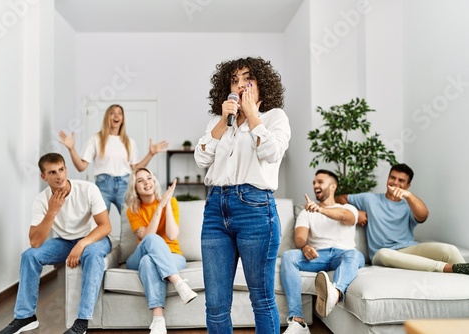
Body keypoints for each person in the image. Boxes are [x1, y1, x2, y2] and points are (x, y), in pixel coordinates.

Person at [194, 56, 291, 334]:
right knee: (215, 305)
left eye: (247, 80)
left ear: (262, 84)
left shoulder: (275, 118)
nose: (239, 86)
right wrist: (225, 121)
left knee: (261, 299)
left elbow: (270, 153)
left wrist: (252, 116)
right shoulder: (218, 120)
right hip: (215, 209)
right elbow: (201, 158)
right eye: (234, 81)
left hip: (255, 209)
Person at [0, 153, 112, 334]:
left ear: (66, 169)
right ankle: (25, 317)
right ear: (43, 177)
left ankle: (82, 322)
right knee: (29, 256)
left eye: (61, 169)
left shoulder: (88, 189)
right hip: (65, 242)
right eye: (52, 172)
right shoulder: (41, 200)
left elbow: (105, 226)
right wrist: (52, 211)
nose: (59, 175)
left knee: (91, 253)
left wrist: (82, 244)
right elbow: (35, 242)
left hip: (94, 238)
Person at [336, 163, 469, 275]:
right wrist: (355, 212)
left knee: (450, 250)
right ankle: (446, 268)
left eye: (401, 180)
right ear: (387, 179)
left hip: (409, 248)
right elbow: (340, 198)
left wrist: (409, 196)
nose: (395, 182)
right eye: (392, 178)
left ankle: (465, 276)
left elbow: (423, 215)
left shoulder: (409, 206)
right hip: (382, 253)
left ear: (408, 185)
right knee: (383, 253)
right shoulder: (369, 199)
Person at [280, 170, 365, 334]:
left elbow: (344, 216)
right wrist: (305, 247)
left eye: (320, 182)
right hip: (319, 256)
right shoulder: (306, 212)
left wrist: (320, 210)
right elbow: (299, 237)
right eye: (314, 183)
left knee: (354, 254)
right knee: (289, 256)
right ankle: (298, 322)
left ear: (333, 186)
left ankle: (335, 293)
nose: (315, 185)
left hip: (344, 254)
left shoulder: (348, 208)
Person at [124, 167, 198, 334]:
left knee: (148, 262)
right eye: (140, 181)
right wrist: (159, 208)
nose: (146, 183)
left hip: (172, 255)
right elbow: (147, 236)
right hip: (140, 253)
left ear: (154, 181)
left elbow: (172, 235)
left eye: (149, 178)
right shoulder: (132, 210)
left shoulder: (170, 202)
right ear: (134, 188)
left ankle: (158, 321)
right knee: (151, 239)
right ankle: (178, 282)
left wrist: (167, 205)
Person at [59, 104, 168, 214]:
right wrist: (71, 149)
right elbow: (81, 167)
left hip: (124, 185)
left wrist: (151, 154)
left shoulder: (129, 142)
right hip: (103, 185)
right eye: (112, 113)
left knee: (130, 220)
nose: (116, 115)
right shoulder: (96, 139)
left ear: (122, 119)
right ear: (107, 117)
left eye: (120, 113)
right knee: (100, 222)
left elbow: (136, 168)